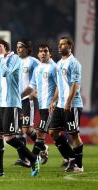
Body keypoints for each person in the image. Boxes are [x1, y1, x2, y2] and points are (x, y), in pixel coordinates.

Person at [0, 38, 40, 177]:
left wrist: (1, 56)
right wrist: (0, 57)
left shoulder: (15, 59)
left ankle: (33, 158)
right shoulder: (2, 59)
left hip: (12, 104)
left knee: (9, 138)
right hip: (0, 103)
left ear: (0, 48)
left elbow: (5, 73)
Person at [49, 37, 84, 172]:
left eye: (62, 44)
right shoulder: (59, 63)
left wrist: (69, 102)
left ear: (70, 46)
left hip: (72, 104)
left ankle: (79, 166)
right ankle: (71, 158)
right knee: (53, 132)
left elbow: (75, 85)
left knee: (74, 134)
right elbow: (59, 85)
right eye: (59, 44)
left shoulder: (74, 63)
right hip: (60, 104)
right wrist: (54, 100)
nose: (59, 46)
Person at [23, 44, 57, 164]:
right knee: (53, 133)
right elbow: (32, 86)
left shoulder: (54, 67)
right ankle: (71, 158)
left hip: (51, 106)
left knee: (41, 133)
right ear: (38, 54)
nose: (43, 53)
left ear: (50, 54)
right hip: (42, 106)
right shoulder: (38, 69)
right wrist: (20, 96)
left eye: (46, 51)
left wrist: (53, 101)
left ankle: (33, 160)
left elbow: (60, 86)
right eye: (41, 51)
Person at [14, 39, 39, 167]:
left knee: (27, 129)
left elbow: (42, 77)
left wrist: (36, 91)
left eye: (21, 47)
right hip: (17, 100)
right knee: (19, 131)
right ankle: (24, 159)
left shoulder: (33, 62)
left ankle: (43, 147)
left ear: (28, 49)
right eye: (17, 47)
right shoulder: (16, 61)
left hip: (28, 100)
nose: (18, 49)